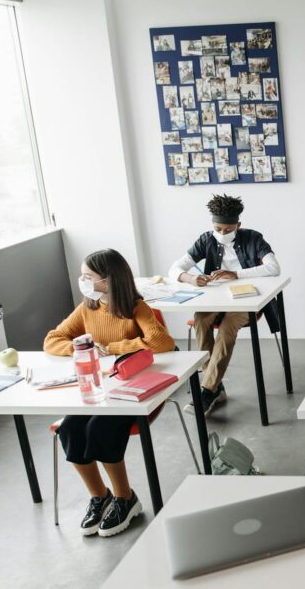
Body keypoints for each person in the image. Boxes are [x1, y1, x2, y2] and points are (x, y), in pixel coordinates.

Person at [44, 249, 175, 537]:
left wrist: (112, 349)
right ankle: (100, 496)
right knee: (70, 431)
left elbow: (162, 342)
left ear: (108, 280)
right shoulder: (87, 308)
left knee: (99, 430)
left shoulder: (135, 308)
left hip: (133, 390)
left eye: (88, 277)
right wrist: (84, 348)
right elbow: (52, 340)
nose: (83, 281)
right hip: (98, 390)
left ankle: (125, 498)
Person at [168, 194, 280, 415]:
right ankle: (215, 386)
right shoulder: (206, 239)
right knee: (200, 319)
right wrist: (190, 278)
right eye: (218, 228)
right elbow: (175, 268)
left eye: (228, 230)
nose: (222, 233)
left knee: (228, 326)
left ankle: (207, 391)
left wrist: (235, 274)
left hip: (248, 300)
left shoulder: (254, 238)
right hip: (216, 299)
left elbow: (273, 268)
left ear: (238, 225)